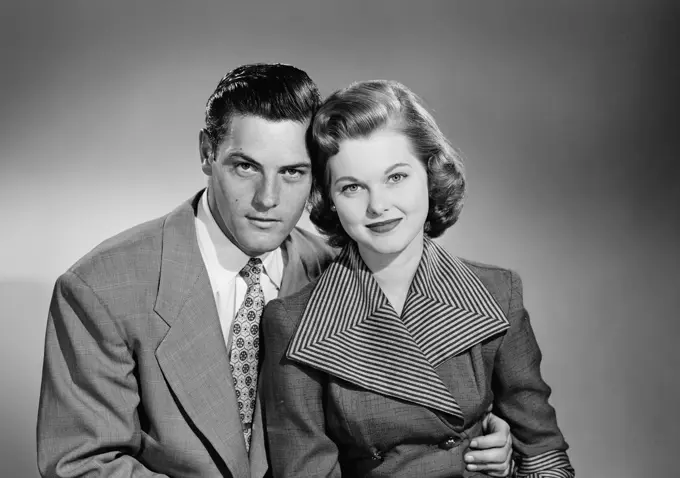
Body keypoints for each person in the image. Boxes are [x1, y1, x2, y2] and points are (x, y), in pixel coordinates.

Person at [36, 64, 513, 478]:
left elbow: (398, 425)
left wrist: (488, 442)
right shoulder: (101, 289)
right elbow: (82, 464)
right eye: (246, 167)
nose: (268, 199)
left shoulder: (339, 273)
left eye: (292, 172)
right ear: (207, 152)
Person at [261, 79, 575, 477]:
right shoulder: (292, 323)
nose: (378, 206)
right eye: (352, 186)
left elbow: (544, 454)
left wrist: (512, 466)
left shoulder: (499, 293)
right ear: (329, 199)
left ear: (430, 173)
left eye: (396, 177)